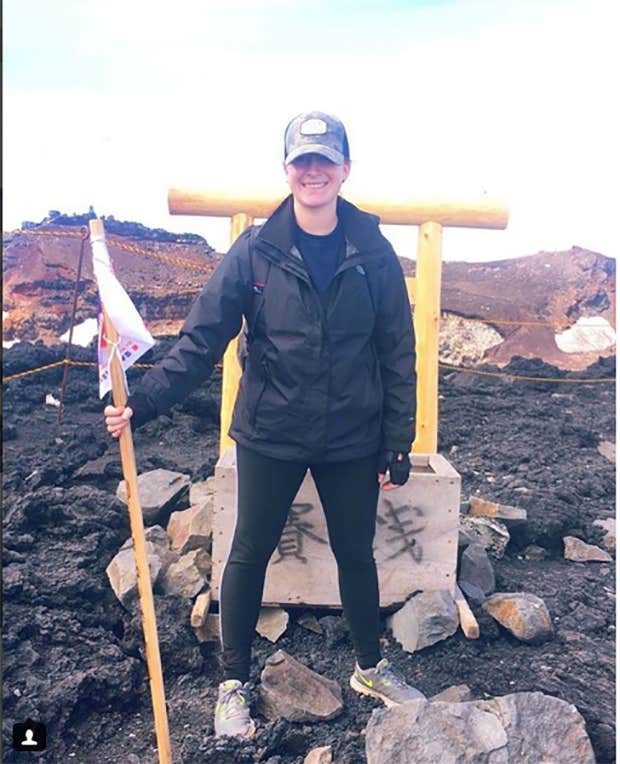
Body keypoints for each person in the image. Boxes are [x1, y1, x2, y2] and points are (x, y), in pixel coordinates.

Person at [104, 111, 423, 739]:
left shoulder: (373, 252)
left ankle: (370, 667)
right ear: (287, 170)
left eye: (324, 161)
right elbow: (201, 340)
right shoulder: (255, 251)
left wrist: (397, 440)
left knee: (356, 553)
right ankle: (234, 682)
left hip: (352, 435)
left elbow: (397, 349)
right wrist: (143, 402)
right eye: (303, 161)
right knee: (248, 552)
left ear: (345, 170)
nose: (313, 172)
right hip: (271, 431)